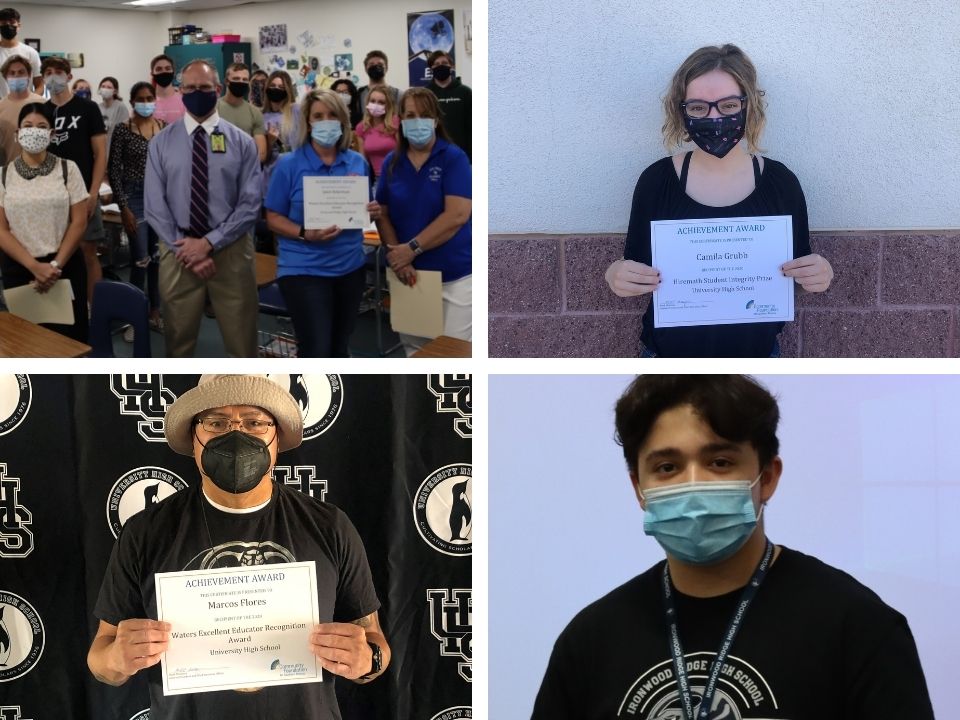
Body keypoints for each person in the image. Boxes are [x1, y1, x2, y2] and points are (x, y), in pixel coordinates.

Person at [531, 374, 935, 720]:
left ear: (767, 478)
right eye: (667, 467)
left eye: (720, 462)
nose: (695, 484)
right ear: (639, 488)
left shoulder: (860, 627)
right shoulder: (590, 640)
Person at [87, 373, 391, 719]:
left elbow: (374, 640)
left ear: (277, 437)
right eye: (216, 422)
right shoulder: (145, 532)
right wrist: (117, 659)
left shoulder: (329, 526)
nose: (236, 434)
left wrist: (367, 659)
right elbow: (101, 660)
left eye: (254, 421)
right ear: (193, 436)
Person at [604, 45, 833, 358]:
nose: (714, 118)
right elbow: (635, 266)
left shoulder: (782, 184)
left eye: (727, 106)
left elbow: (796, 273)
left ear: (749, 106)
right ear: (681, 111)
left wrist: (818, 274)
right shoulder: (657, 181)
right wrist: (615, 274)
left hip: (757, 361)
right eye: (698, 108)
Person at [144, 59, 261, 358]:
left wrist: (209, 243)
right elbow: (155, 206)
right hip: (177, 250)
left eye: (205, 87)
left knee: (242, 342)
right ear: (181, 91)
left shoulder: (242, 143)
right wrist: (188, 250)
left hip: (231, 250)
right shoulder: (160, 143)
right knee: (177, 343)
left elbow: (250, 205)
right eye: (191, 87)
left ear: (218, 90)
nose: (197, 92)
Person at [265, 89, 380, 357]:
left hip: (349, 268)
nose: (326, 121)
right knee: (316, 348)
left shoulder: (357, 162)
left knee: (340, 348)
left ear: (342, 121)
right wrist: (305, 233)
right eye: (318, 116)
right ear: (308, 121)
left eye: (332, 115)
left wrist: (370, 212)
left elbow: (365, 209)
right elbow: (272, 218)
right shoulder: (288, 165)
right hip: (304, 270)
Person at [376, 87, 471, 354]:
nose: (417, 121)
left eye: (424, 114)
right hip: (409, 275)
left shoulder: (453, 158)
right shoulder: (391, 163)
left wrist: (411, 249)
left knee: (454, 353)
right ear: (400, 120)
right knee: (415, 353)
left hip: (454, 276)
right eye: (410, 114)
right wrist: (397, 255)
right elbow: (382, 212)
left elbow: (457, 215)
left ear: (436, 120)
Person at [0, 102, 89, 341]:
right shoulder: (3, 175)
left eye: (41, 126)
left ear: (51, 134)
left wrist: (54, 265)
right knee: (27, 340)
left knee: (71, 338)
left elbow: (79, 221)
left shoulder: (67, 169)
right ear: (18, 134)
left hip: (65, 265)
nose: (33, 130)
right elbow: (1, 229)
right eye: (27, 126)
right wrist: (34, 266)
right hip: (19, 268)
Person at [43, 55, 107, 308]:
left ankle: (94, 311)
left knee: (88, 253)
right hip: (51, 196)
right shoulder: (42, 111)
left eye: (59, 71)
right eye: (48, 72)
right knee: (56, 255)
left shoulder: (87, 109)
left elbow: (100, 153)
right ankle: (65, 310)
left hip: (82, 195)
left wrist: (93, 192)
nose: (53, 76)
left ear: (69, 76)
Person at [107, 81, 165, 339]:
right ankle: (134, 317)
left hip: (160, 198)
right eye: (140, 98)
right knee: (140, 259)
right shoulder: (123, 130)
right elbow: (114, 171)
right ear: (132, 102)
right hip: (134, 196)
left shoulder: (163, 128)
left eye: (149, 97)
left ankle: (155, 312)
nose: (145, 102)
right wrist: (124, 208)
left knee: (157, 259)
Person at [217, 62, 267, 164]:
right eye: (236, 79)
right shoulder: (213, 109)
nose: (241, 82)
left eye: (245, 80)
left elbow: (261, 154)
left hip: (246, 171)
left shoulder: (255, 113)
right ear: (227, 81)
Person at [425, 50, 471, 161]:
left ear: (451, 66)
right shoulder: (425, 94)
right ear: (431, 68)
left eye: (444, 63)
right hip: (433, 155)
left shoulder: (466, 92)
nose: (441, 66)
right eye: (436, 64)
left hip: (462, 155)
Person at [0, 54, 42, 165]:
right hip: (9, 172)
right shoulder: (0, 107)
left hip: (41, 171)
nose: (16, 76)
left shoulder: (43, 104)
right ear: (6, 77)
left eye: (21, 72)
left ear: (29, 75)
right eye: (12, 73)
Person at [355, 86, 398, 187]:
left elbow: (404, 152)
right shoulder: (362, 127)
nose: (376, 105)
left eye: (381, 102)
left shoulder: (395, 122)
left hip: (399, 176)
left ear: (388, 105)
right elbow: (363, 161)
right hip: (378, 180)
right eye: (373, 101)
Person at [0, 8, 41, 97]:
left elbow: (40, 85)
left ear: (18, 25)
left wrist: (29, 102)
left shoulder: (31, 52)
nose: (8, 25)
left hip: (25, 107)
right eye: (3, 23)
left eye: (11, 22)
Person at [97, 75, 129, 155]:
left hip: (115, 150)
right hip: (100, 148)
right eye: (103, 86)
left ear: (115, 91)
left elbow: (123, 131)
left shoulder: (120, 106)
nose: (105, 89)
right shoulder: (97, 107)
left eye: (109, 87)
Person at [150, 53, 185, 125]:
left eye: (168, 68)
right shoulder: (146, 102)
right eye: (159, 69)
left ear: (173, 72)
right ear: (152, 73)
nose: (164, 72)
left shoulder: (185, 100)